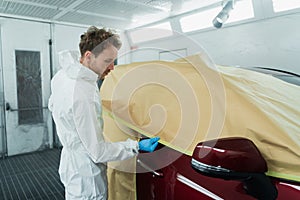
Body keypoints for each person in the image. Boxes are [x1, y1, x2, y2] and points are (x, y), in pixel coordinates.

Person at [48, 26, 160, 200]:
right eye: (108, 61)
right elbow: (97, 152)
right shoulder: (82, 93)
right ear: (88, 56)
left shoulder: (62, 76)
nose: (112, 68)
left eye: (114, 61)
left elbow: (53, 106)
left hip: (72, 165)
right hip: (88, 179)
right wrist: (136, 146)